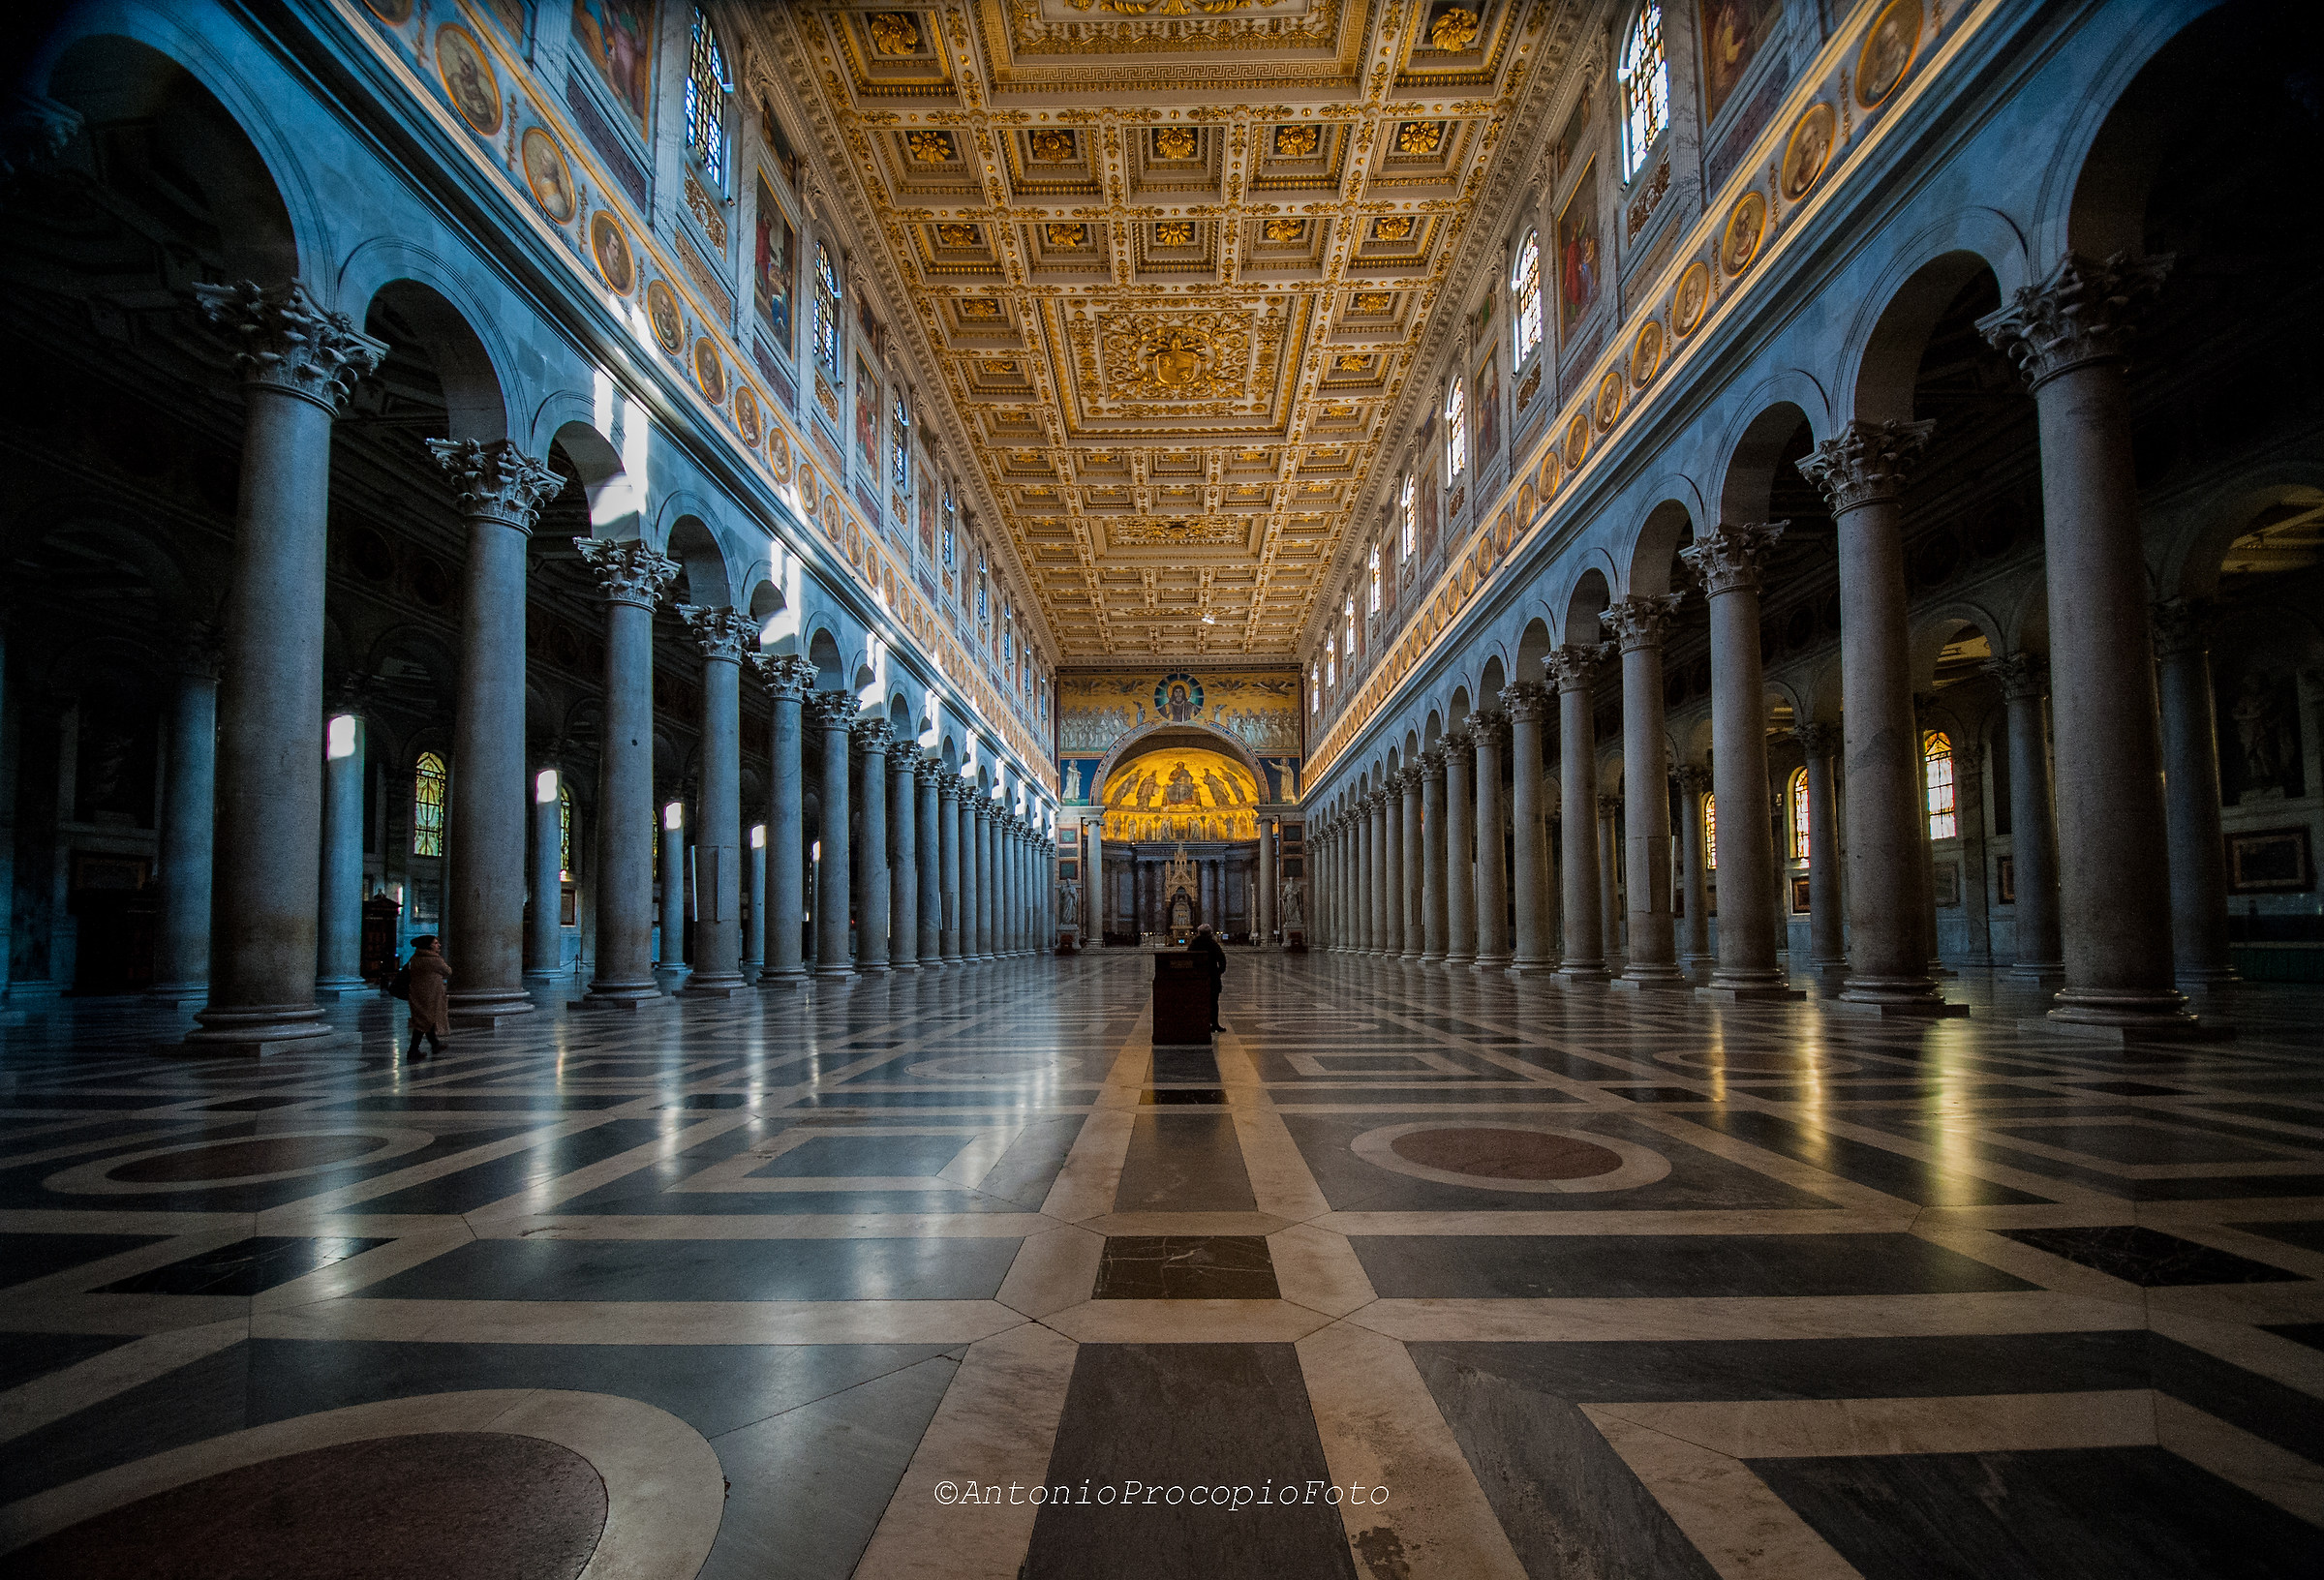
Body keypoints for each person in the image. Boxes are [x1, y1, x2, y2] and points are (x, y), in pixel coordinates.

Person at [403, 934, 452, 1062]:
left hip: (417, 994)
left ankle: (434, 1044)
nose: (438, 945)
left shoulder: (415, 958)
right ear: (429, 945)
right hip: (430, 996)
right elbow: (448, 971)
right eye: (436, 943)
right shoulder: (434, 959)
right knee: (424, 1022)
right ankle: (413, 1050)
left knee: (425, 1019)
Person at [1188, 922, 1226, 1033]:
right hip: (1212, 977)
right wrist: (1219, 971)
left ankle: (1200, 1023)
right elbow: (1222, 959)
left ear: (1199, 933)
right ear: (1210, 933)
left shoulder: (1194, 944)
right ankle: (1215, 1024)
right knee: (1214, 1002)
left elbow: (1188, 957)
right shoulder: (1213, 944)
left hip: (1198, 976)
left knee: (1198, 1001)